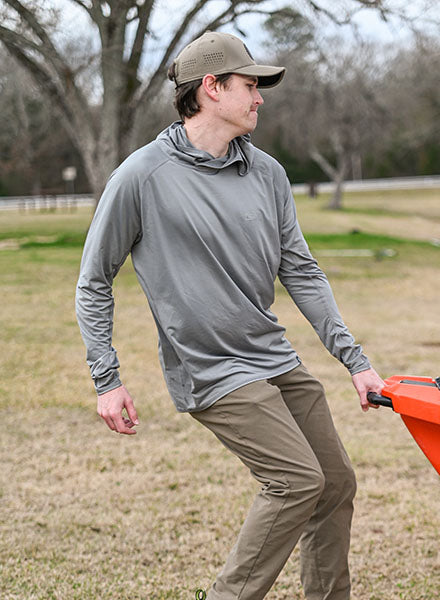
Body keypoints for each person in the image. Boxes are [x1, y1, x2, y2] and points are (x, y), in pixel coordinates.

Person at [75, 30, 384, 600]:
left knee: (335, 482)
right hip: (211, 369)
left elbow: (303, 272)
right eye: (250, 85)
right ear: (211, 89)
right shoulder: (141, 176)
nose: (260, 98)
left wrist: (355, 361)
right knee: (294, 481)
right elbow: (94, 281)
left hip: (271, 356)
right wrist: (107, 379)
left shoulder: (267, 173)